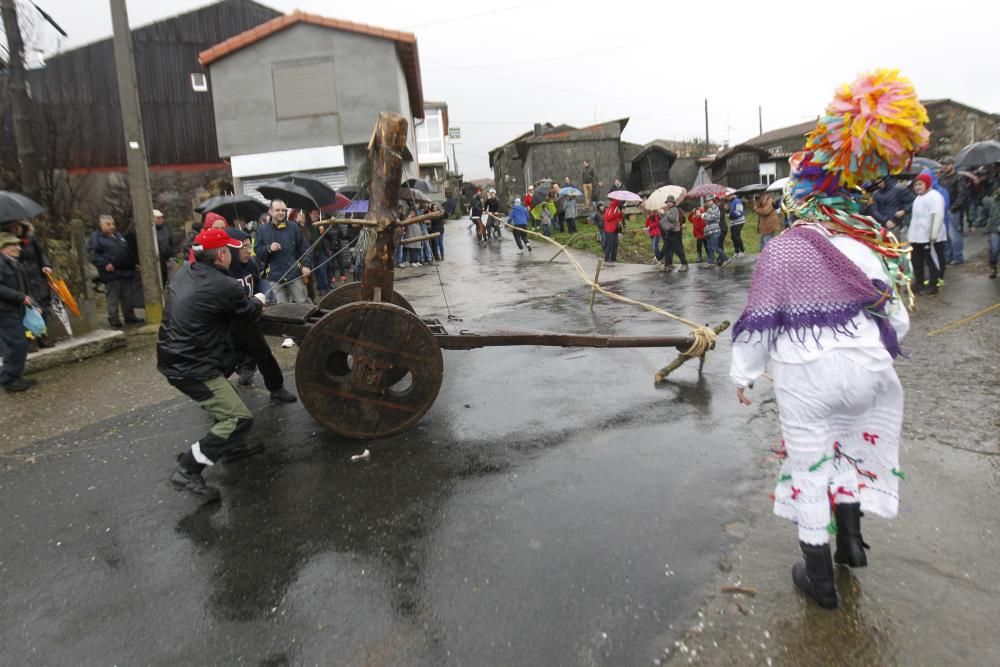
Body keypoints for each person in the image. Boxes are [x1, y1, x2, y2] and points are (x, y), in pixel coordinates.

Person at [731, 68, 923, 610]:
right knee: (850, 448)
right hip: (866, 372)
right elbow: (899, 322)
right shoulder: (871, 246)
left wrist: (742, 375)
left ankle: (818, 577)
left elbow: (760, 320)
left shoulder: (784, 249)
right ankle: (854, 544)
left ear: (803, 197)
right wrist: (868, 354)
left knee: (811, 464)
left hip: (806, 377)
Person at [158, 227, 271, 500]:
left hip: (177, 355)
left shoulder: (185, 272)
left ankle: (228, 447)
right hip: (191, 366)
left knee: (228, 401)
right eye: (232, 249)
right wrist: (259, 299)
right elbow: (247, 312)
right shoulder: (225, 285)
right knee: (238, 418)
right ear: (221, 255)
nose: (237, 253)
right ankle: (187, 469)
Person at [225, 228, 297, 403]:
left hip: (249, 321)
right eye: (244, 247)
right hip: (228, 327)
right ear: (233, 249)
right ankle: (219, 401)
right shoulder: (224, 270)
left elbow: (258, 282)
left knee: (265, 356)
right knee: (223, 364)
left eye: (250, 246)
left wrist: (263, 294)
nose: (248, 251)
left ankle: (277, 389)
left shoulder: (251, 264)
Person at [2, 220, 53, 346]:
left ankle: (42, 335)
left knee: (42, 306)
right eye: (12, 227)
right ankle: (30, 339)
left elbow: (40, 253)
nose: (16, 229)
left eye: (18, 226)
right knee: (26, 308)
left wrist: (46, 265)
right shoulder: (6, 245)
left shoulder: (30, 238)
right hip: (19, 278)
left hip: (36, 276)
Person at [87, 214, 143, 327]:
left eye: (113, 224)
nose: (111, 226)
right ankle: (113, 318)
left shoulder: (118, 236)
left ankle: (129, 315)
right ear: (101, 225)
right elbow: (93, 255)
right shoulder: (96, 238)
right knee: (113, 297)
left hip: (125, 271)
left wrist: (133, 265)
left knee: (127, 296)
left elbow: (126, 251)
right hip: (111, 272)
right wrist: (105, 264)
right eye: (108, 224)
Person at [253, 199, 312, 304]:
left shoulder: (293, 227)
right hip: (274, 277)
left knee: (303, 303)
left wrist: (306, 265)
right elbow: (257, 251)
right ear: (270, 211)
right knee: (281, 309)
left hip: (294, 274)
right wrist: (269, 248)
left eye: (283, 210)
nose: (281, 213)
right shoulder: (262, 230)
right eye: (277, 210)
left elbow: (303, 248)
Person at [0, 232, 33, 392]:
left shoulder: (14, 263)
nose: (19, 248)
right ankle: (8, 379)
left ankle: (15, 376)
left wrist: (31, 302)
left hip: (16, 309)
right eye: (14, 245)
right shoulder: (1, 263)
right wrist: (20, 297)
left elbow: (23, 286)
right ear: (3, 248)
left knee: (20, 344)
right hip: (5, 312)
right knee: (14, 344)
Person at [908, 171, 947, 295]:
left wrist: (933, 234)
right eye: (916, 185)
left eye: (920, 184)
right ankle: (919, 282)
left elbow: (937, 215)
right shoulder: (917, 199)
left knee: (932, 261)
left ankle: (934, 284)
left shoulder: (935, 196)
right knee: (916, 260)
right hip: (917, 237)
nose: (918, 187)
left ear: (927, 184)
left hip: (930, 238)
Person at [659, 196, 689, 272]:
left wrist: (664, 213)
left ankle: (684, 264)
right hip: (670, 232)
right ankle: (667, 265)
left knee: (678, 249)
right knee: (667, 249)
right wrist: (661, 214)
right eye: (667, 202)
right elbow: (666, 220)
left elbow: (673, 219)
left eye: (670, 202)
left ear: (673, 203)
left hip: (676, 232)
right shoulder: (669, 210)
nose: (668, 203)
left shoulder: (675, 209)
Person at [702, 196, 729, 267]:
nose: (707, 202)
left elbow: (714, 217)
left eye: (708, 201)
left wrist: (704, 216)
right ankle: (711, 262)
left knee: (715, 247)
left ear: (711, 201)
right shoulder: (709, 209)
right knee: (709, 247)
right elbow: (706, 220)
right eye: (706, 201)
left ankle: (726, 259)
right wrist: (704, 216)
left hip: (714, 231)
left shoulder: (715, 207)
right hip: (709, 231)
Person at [153, 209, 176, 285]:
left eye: (161, 218)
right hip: (158, 261)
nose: (161, 220)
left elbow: (172, 243)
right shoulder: (151, 231)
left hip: (169, 259)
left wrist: (174, 256)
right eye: (158, 218)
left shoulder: (166, 229)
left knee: (172, 282)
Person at [984, 185, 999, 279]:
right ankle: (993, 267)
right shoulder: (992, 200)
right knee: (994, 249)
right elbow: (985, 211)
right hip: (994, 227)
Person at [602, 199, 624, 264]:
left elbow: (618, 219)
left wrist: (621, 214)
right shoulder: (610, 209)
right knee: (610, 244)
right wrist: (615, 213)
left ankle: (613, 258)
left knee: (615, 244)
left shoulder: (616, 209)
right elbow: (607, 217)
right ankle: (607, 258)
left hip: (614, 229)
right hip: (609, 229)